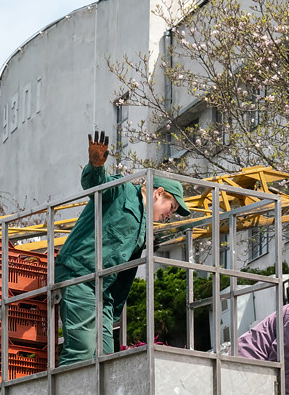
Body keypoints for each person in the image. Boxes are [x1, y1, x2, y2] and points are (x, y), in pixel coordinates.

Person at [56, 131, 191, 365]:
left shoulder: (144, 227)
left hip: (103, 292)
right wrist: (96, 165)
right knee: (82, 352)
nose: (170, 215)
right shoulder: (122, 191)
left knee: (107, 357)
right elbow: (96, 184)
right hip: (80, 277)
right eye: (171, 207)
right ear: (158, 193)